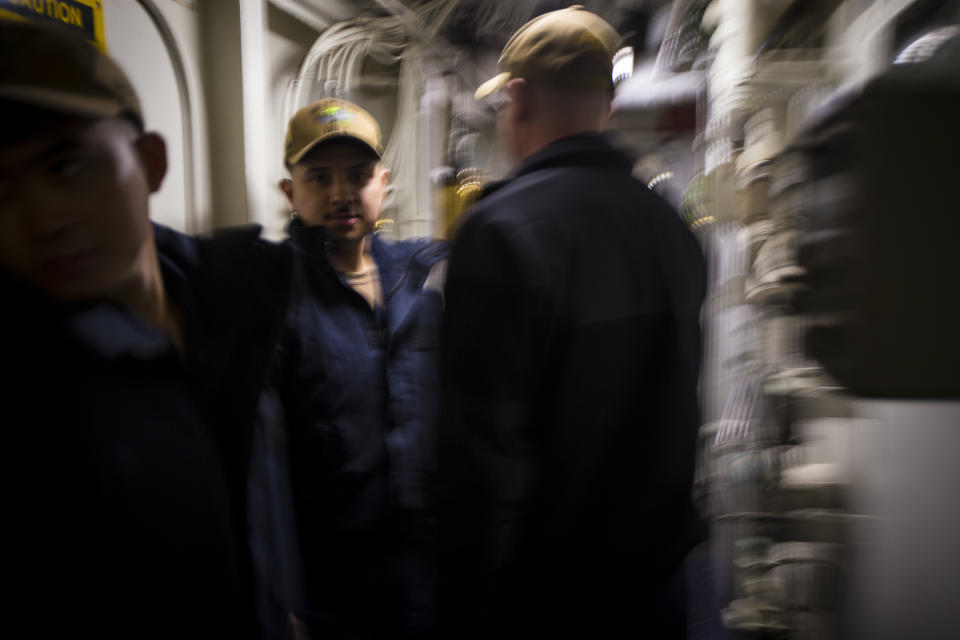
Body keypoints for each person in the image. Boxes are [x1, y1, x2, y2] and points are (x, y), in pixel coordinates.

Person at [0, 18, 293, 639]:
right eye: (0, 189)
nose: (41, 218)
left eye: (67, 166)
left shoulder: (233, 301)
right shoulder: (30, 391)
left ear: (151, 163)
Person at [438, 6, 708, 639]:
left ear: (518, 98)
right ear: (607, 108)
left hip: (548, 601)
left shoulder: (498, 230)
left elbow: (481, 462)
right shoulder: (672, 228)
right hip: (658, 591)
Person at [276, 98, 448, 639]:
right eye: (319, 177)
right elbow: (264, 460)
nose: (341, 193)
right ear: (291, 192)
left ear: (383, 182)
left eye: (358, 175)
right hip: (331, 584)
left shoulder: (420, 280)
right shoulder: (277, 297)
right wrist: (282, 593)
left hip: (426, 571)